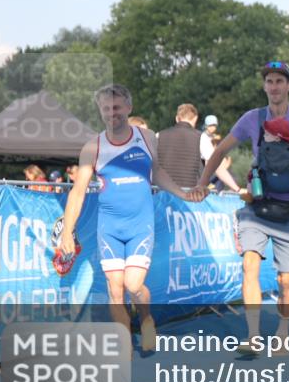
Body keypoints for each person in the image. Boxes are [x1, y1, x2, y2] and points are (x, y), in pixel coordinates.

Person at [194, 61, 289, 353]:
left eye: (280, 81)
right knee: (249, 264)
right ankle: (253, 336)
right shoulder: (252, 118)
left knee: (285, 280)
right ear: (264, 86)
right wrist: (203, 182)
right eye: (270, 81)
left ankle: (283, 332)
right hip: (258, 207)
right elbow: (220, 151)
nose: (274, 86)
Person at [59, 84, 198, 352]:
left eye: (117, 107)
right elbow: (77, 192)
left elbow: (156, 173)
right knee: (115, 288)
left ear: (129, 108)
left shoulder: (146, 137)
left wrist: (182, 193)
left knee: (134, 286)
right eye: (106, 108)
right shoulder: (93, 147)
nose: (113, 113)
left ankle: (146, 319)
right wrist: (67, 232)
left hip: (140, 225)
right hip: (109, 226)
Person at [156, 103, 205, 188]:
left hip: (162, 193)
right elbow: (214, 163)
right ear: (195, 118)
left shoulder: (159, 135)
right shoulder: (202, 137)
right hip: (189, 194)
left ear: (177, 118)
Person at [200, 114, 240, 192]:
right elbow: (208, 158)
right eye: (210, 126)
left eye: (214, 126)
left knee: (227, 172)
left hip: (214, 168)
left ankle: (232, 189)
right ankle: (235, 190)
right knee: (222, 172)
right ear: (206, 126)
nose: (213, 128)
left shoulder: (214, 138)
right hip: (206, 169)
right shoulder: (203, 138)